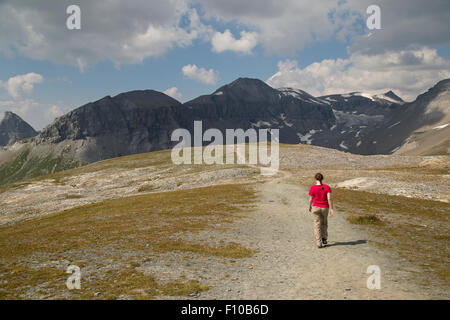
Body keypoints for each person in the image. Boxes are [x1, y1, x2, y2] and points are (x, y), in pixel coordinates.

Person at [308, 173, 334, 248]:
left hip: (315, 207)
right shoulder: (327, 187)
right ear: (322, 178)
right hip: (325, 207)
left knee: (317, 225)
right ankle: (324, 238)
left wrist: (309, 206)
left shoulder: (313, 187)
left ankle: (319, 242)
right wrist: (331, 208)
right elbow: (329, 199)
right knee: (324, 223)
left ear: (315, 178)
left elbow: (310, 199)